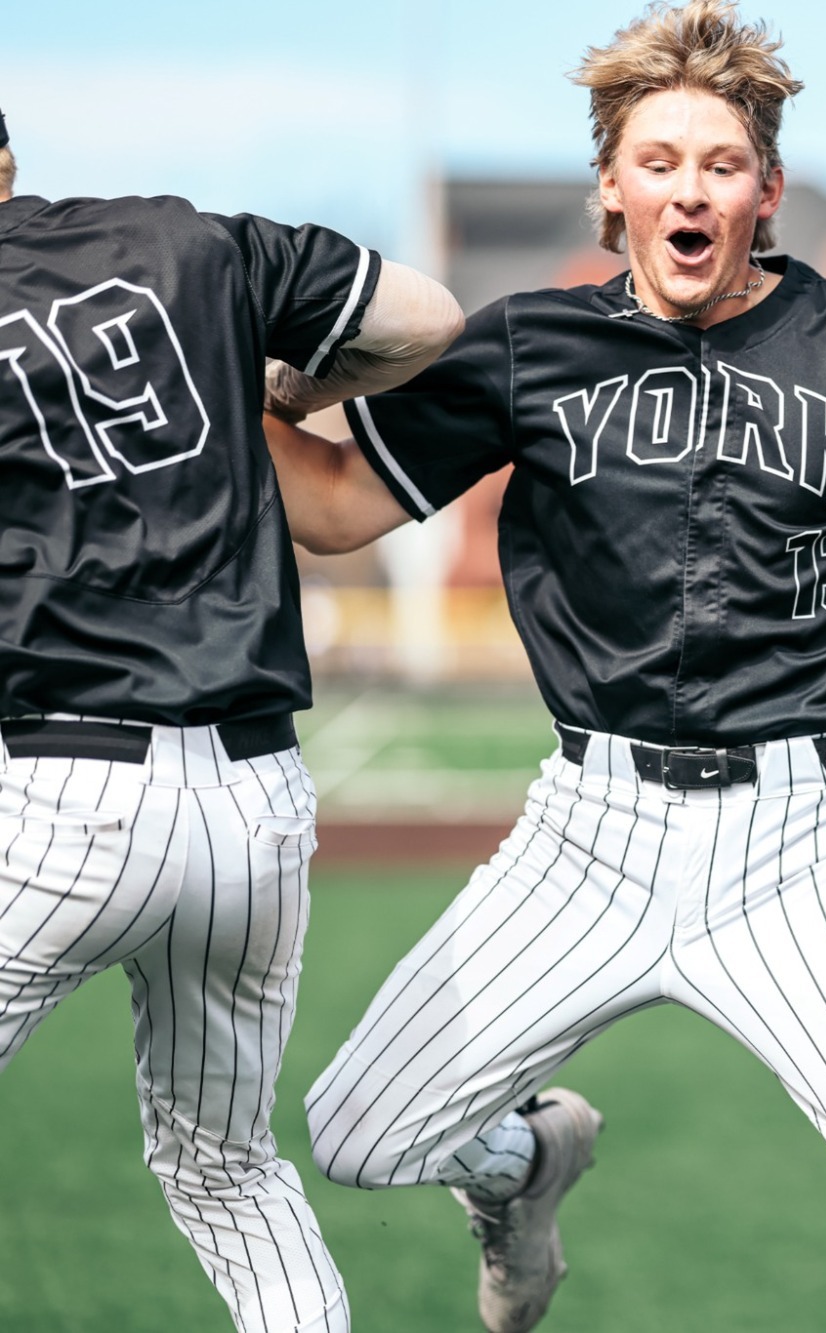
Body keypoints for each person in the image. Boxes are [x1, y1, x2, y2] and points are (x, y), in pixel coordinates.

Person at [263, 5, 826, 1331]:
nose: (692, 187)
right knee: (359, 1135)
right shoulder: (527, 346)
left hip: (812, 840)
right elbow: (337, 507)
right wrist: (219, 392)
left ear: (768, 192)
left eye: (722, 164)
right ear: (612, 189)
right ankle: (524, 1167)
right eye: (661, 160)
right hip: (591, 830)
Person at [0, 109, 462, 1331]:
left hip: (64, 793)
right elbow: (425, 318)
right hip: (256, 807)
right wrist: (288, 384)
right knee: (225, 1166)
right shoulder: (182, 238)